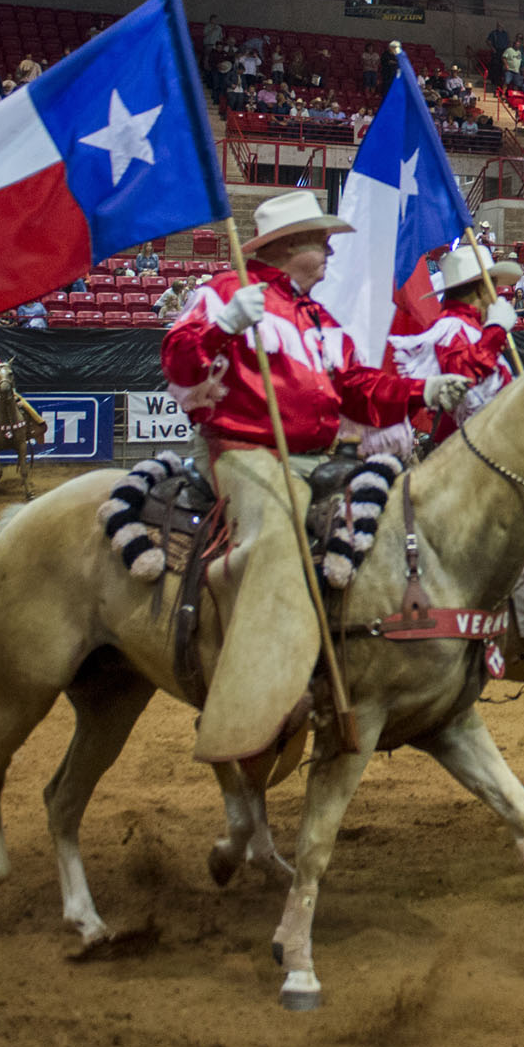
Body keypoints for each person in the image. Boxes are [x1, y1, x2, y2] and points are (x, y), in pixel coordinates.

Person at [160, 191, 466, 763]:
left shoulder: (318, 317)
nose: (329, 250)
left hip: (316, 454)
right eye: (319, 240)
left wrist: (419, 390)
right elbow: (179, 359)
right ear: (285, 247)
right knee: (278, 533)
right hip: (244, 451)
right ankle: (254, 686)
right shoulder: (225, 293)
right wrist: (223, 326)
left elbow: (357, 385)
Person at [387, 242, 523, 429]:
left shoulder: (468, 328)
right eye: (493, 287)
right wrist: (496, 332)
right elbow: (462, 378)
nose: (495, 296)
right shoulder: (451, 328)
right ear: (481, 289)